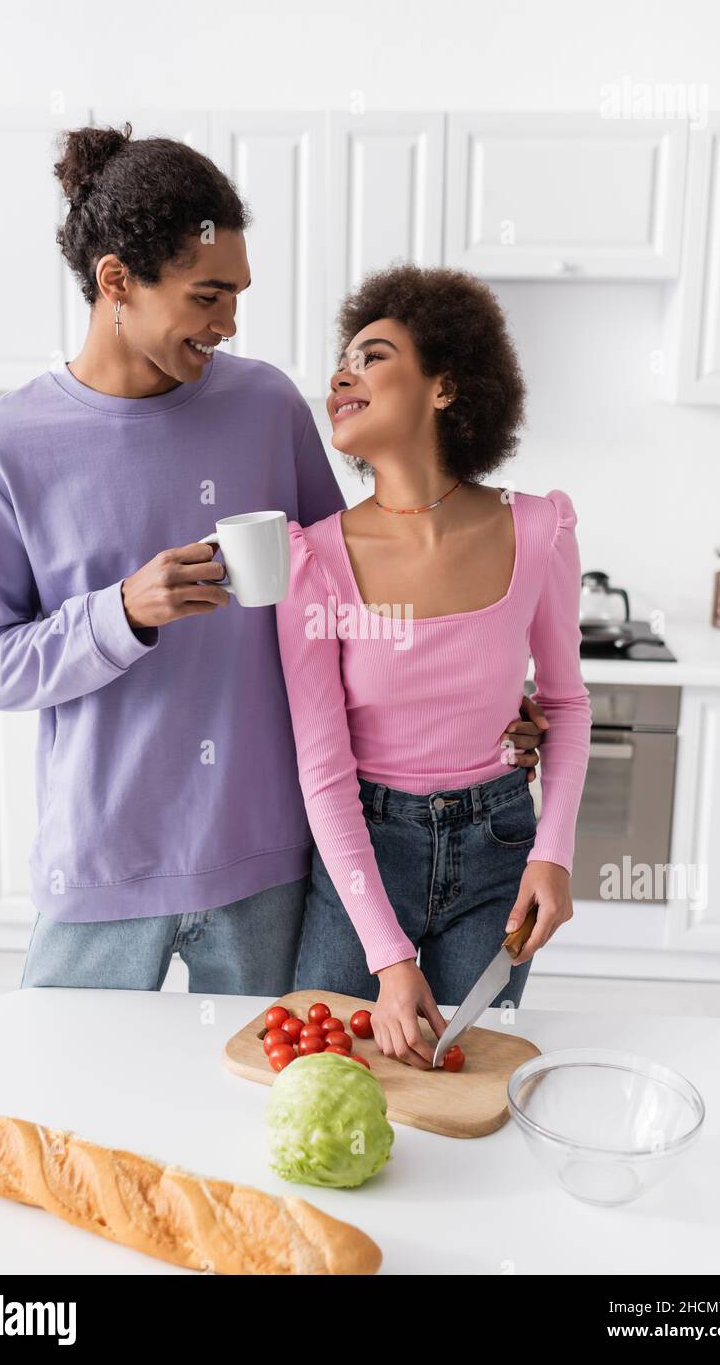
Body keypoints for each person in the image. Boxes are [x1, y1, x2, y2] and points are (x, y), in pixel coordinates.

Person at [0, 123, 547, 995]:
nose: (229, 325)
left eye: (237, 296)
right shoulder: (6, 447)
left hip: (267, 857)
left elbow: (350, 595)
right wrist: (120, 612)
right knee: (67, 1109)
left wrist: (472, 699)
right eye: (207, 297)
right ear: (116, 281)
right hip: (104, 859)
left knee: (253, 1113)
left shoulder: (265, 404)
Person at [275, 264, 592, 1068]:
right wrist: (388, 957)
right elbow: (322, 768)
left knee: (458, 1082)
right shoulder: (310, 559)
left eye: (372, 356)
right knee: (321, 1074)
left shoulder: (540, 529)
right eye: (341, 359)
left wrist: (551, 854)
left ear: (445, 387)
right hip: (364, 855)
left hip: (498, 849)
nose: (342, 373)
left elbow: (566, 704)